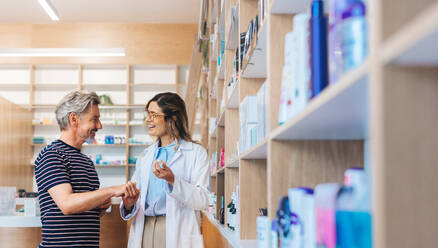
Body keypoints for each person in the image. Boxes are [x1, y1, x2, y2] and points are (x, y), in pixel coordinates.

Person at [34, 90, 139, 248]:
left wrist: (101, 207)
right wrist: (111, 190)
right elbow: (67, 204)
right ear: (74, 119)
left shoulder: (86, 162)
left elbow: (84, 212)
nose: (99, 126)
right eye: (94, 119)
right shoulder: (51, 155)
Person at [120, 92, 210, 248]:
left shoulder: (196, 153)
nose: (148, 119)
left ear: (172, 118)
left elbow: (203, 199)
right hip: (144, 228)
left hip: (175, 230)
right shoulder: (146, 155)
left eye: (154, 115)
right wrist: (128, 204)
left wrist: (173, 180)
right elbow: (136, 195)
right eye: (147, 114)